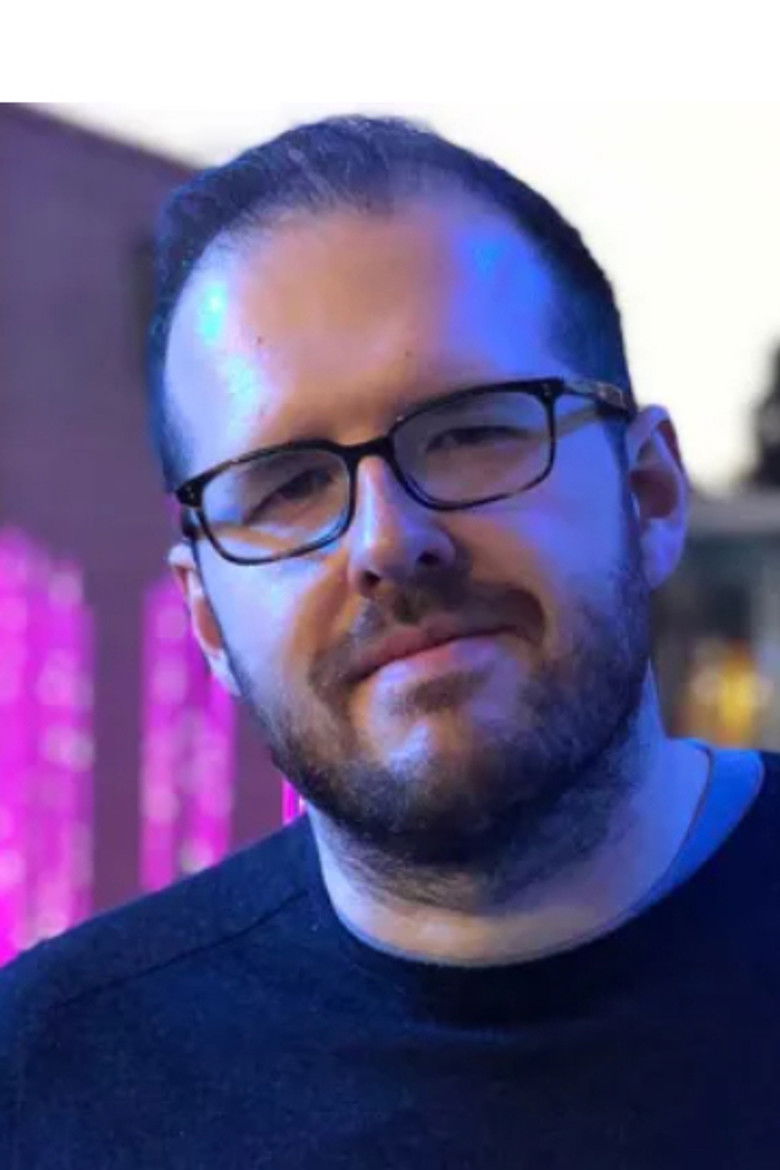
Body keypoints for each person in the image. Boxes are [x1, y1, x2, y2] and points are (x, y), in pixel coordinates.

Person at [1, 115, 778, 1169]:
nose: (388, 542)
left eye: (471, 432)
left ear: (648, 494)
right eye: (285, 486)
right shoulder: (49, 1088)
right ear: (208, 617)